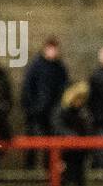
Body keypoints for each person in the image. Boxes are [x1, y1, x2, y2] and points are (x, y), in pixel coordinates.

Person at [20, 37, 69, 170]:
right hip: (36, 113)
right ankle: (29, 169)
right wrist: (33, 108)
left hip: (53, 113)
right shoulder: (36, 66)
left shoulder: (60, 68)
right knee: (32, 142)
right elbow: (28, 89)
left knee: (51, 143)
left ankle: (50, 170)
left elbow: (64, 89)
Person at [54, 82, 93, 186]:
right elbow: (58, 127)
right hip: (65, 150)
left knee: (79, 176)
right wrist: (72, 136)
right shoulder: (62, 110)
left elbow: (88, 127)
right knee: (65, 175)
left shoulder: (83, 111)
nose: (80, 102)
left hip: (80, 151)